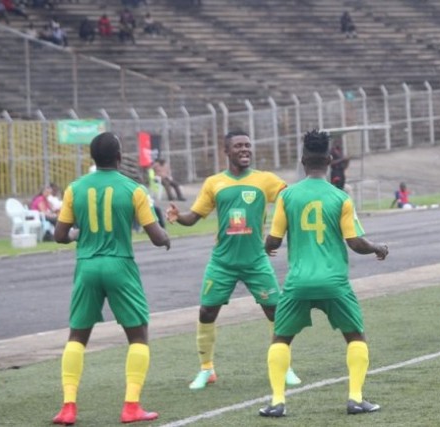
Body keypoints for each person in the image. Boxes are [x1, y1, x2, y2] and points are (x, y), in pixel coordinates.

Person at [259, 129, 388, 417]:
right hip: (334, 282)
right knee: (355, 336)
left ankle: (277, 402)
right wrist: (378, 247)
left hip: (298, 283)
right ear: (329, 160)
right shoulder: (340, 197)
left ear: (302, 160)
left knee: (281, 339)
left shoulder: (287, 196)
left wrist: (266, 247)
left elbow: (274, 240)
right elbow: (355, 243)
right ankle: (355, 399)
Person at [165, 130, 301, 391]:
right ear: (226, 151)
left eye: (248, 145)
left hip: (256, 261)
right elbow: (194, 217)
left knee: (276, 312)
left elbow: (291, 200)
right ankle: (206, 369)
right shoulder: (214, 182)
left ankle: (284, 367)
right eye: (238, 146)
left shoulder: (265, 180)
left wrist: (277, 233)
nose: (244, 149)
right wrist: (178, 216)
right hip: (222, 262)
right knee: (206, 312)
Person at [51, 132, 171, 425]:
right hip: (120, 265)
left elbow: (60, 235)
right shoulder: (134, 189)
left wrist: (78, 234)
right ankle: (131, 407)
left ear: (93, 158)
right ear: (119, 158)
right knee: (138, 336)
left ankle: (68, 407)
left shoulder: (75, 188)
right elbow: (156, 237)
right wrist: (166, 236)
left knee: (77, 336)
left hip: (87, 266)